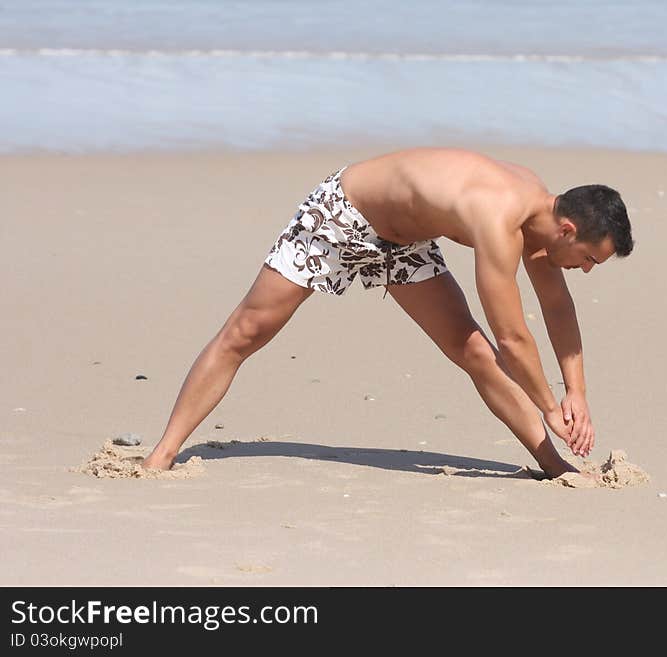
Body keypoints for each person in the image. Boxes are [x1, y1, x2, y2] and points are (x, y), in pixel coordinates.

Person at [143, 147, 633, 478]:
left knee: (473, 351)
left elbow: (556, 306)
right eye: (590, 259)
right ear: (568, 230)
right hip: (344, 212)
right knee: (246, 331)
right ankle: (162, 454)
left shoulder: (542, 221)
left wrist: (577, 392)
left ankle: (552, 466)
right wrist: (551, 407)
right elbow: (513, 335)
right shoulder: (499, 213)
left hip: (405, 240)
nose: (586, 270)